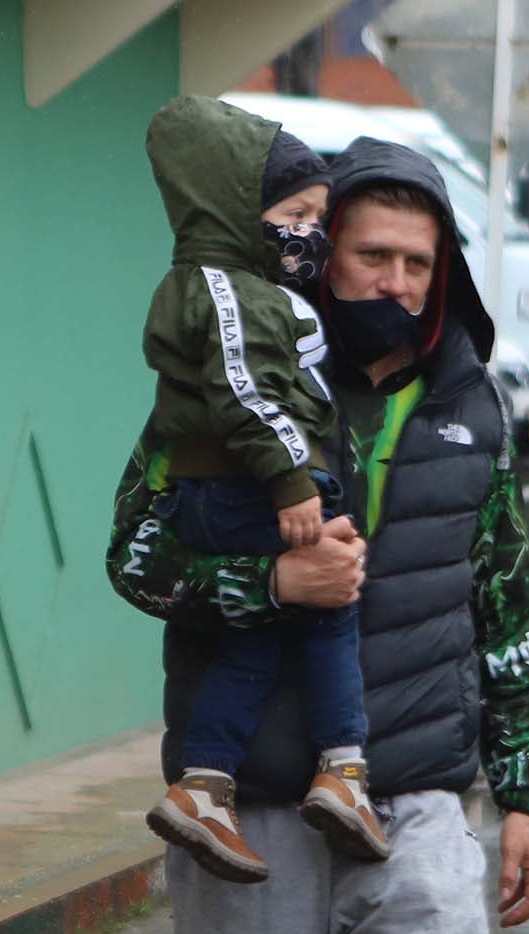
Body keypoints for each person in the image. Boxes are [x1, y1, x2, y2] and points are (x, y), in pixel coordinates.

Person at [107, 134, 529, 934]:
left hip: (414, 802)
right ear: (318, 257)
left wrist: (526, 797)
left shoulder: (477, 406)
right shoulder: (227, 385)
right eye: (372, 255)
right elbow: (134, 555)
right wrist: (268, 581)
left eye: (418, 263)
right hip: (251, 808)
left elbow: (506, 613)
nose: (397, 283)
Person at [138, 95, 388, 885]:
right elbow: (249, 391)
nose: (308, 233)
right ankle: (344, 769)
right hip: (245, 489)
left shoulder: (233, 286)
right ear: (238, 211)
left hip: (236, 487)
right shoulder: (222, 287)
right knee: (328, 609)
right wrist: (294, 480)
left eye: (320, 217)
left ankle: (205, 786)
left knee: (253, 643)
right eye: (294, 212)